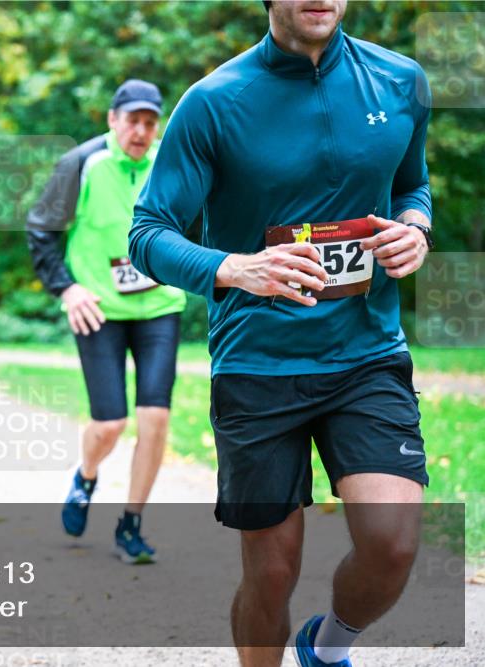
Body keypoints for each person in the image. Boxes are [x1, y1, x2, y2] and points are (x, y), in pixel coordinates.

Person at [129, 1, 433, 665]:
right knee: (271, 572)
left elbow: (413, 184)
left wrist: (417, 228)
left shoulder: (400, 80)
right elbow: (147, 234)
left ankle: (326, 648)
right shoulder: (214, 102)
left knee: (393, 544)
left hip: (366, 354)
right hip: (258, 364)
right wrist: (235, 267)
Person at [27, 80, 187, 564]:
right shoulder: (82, 163)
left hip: (159, 306)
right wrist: (67, 288)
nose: (140, 131)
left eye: (149, 123)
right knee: (110, 423)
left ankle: (131, 523)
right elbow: (41, 229)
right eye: (132, 121)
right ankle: (86, 475)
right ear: (112, 120)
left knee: (155, 417)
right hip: (98, 308)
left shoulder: (170, 162)